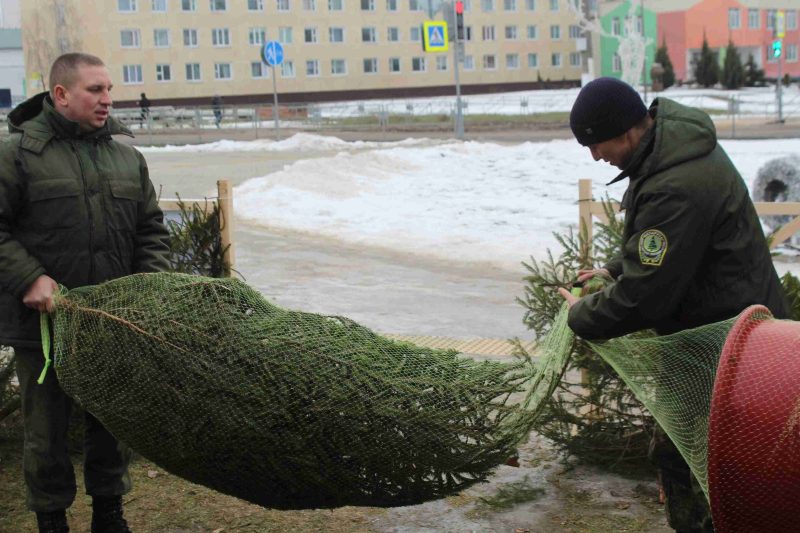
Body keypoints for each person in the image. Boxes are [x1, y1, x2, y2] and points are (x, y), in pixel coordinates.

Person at [558, 77, 789, 532]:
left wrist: (579, 315)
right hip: (727, 338)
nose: (594, 156)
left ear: (624, 131)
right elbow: (663, 247)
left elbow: (647, 297)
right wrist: (614, 269)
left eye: (596, 143)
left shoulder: (674, 184)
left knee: (699, 466)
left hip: (729, 352)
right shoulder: (670, 148)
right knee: (683, 454)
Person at [0, 53, 170, 533]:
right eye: (95, 89)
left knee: (111, 425)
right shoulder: (16, 156)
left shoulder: (125, 157)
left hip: (113, 320)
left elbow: (151, 231)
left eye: (109, 88)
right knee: (46, 434)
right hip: (42, 326)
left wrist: (145, 289)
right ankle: (52, 520)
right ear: (61, 95)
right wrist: (28, 277)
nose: (107, 99)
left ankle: (109, 516)